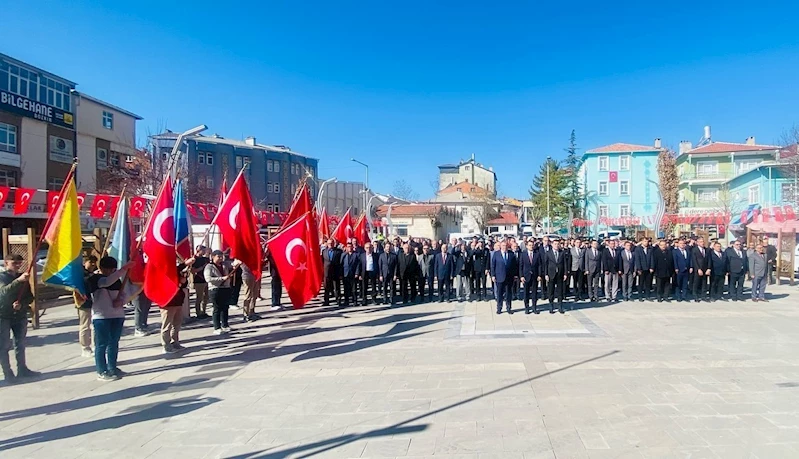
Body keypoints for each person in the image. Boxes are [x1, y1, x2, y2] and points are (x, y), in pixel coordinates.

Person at [89, 256, 132, 381]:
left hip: (117, 315)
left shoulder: (117, 280)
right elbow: (106, 282)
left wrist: (121, 301)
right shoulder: (96, 279)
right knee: (101, 344)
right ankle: (101, 370)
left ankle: (112, 367)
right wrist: (124, 269)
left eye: (112, 269)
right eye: (107, 269)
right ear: (101, 268)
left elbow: (124, 293)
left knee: (114, 343)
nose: (110, 272)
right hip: (101, 316)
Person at [0, 254, 37, 385]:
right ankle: (7, 373)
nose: (17, 265)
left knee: (20, 344)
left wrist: (22, 303)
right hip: (3, 315)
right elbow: (3, 292)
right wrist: (18, 281)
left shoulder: (22, 277)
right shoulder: (2, 277)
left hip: (19, 315)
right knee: (4, 346)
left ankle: (22, 368)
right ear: (6, 263)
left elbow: (30, 296)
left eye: (19, 263)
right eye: (14, 263)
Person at [161, 261, 192, 354]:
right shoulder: (164, 272)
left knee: (177, 323)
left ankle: (175, 342)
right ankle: (166, 344)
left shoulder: (176, 271)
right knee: (167, 324)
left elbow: (183, 283)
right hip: (168, 302)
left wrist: (183, 279)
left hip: (178, 300)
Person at [205, 250, 236, 334]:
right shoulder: (209, 267)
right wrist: (222, 278)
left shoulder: (224, 265)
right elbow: (208, 279)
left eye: (221, 257)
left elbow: (233, 264)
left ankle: (225, 325)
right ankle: (217, 327)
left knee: (225, 307)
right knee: (217, 308)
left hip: (225, 288)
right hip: (215, 289)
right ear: (213, 257)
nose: (220, 258)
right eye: (218, 256)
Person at [77, 255, 97, 357]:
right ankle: (85, 347)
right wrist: (93, 276)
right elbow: (85, 282)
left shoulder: (92, 273)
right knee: (85, 325)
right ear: (85, 262)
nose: (93, 265)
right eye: (91, 262)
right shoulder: (80, 274)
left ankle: (95, 345)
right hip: (84, 302)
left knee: (94, 325)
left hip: (95, 302)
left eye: (94, 262)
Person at [490, 240, 518, 314]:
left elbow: (515, 266)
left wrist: (515, 275)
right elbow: (493, 265)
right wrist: (493, 275)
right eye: (502, 246)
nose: (504, 247)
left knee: (509, 293)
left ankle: (509, 308)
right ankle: (499, 308)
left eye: (505, 246)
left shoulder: (511, 254)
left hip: (509, 277)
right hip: (499, 277)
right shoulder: (496, 254)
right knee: (499, 293)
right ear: (500, 246)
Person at [544, 239, 569, 313]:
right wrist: (546, 274)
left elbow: (565, 264)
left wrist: (565, 273)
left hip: (560, 274)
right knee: (551, 291)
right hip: (551, 274)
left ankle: (560, 306)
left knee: (560, 291)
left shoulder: (562, 253)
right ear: (552, 244)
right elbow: (545, 265)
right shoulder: (548, 253)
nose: (556, 245)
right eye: (555, 244)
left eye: (558, 244)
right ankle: (551, 306)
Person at [520, 240, 543, 314]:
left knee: (534, 293)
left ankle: (534, 307)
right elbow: (521, 266)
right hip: (526, 276)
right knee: (526, 293)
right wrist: (521, 276)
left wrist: (539, 275)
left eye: (532, 245)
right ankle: (527, 308)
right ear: (527, 246)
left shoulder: (537, 254)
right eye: (529, 245)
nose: (531, 246)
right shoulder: (523, 254)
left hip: (534, 276)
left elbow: (539, 265)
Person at [190, 245, 210, 319]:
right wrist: (202, 267)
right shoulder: (194, 259)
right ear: (199, 250)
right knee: (199, 297)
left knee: (206, 297)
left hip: (206, 279)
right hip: (199, 280)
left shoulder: (206, 259)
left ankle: (203, 311)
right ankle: (198, 313)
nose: (204, 252)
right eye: (203, 250)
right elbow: (193, 271)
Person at [322, 239, 343, 306]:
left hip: (335, 272)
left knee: (336, 287)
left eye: (331, 243)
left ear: (334, 243)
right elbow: (322, 262)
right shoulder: (324, 252)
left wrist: (340, 273)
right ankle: (326, 301)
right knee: (327, 287)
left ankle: (338, 300)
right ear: (327, 244)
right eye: (329, 243)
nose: (330, 244)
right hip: (327, 272)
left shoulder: (339, 251)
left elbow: (341, 262)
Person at [340, 242, 361, 306]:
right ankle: (346, 301)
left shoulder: (356, 255)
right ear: (346, 248)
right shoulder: (343, 255)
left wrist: (357, 273)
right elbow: (341, 265)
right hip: (345, 274)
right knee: (346, 288)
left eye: (350, 246)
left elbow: (358, 265)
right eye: (348, 246)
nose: (349, 248)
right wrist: (341, 274)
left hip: (353, 274)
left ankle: (355, 301)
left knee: (354, 289)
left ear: (352, 247)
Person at [691, 237, 710, 302]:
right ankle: (695, 295)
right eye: (701, 242)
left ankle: (703, 296)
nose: (703, 243)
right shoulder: (694, 250)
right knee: (696, 283)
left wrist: (708, 268)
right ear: (698, 243)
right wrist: (698, 269)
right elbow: (694, 260)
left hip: (705, 269)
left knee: (704, 283)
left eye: (703, 241)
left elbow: (709, 260)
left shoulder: (707, 250)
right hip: (698, 269)